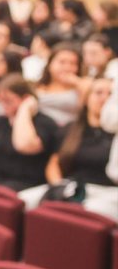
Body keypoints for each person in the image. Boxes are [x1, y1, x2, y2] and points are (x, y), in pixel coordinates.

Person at [19, 79, 116, 220]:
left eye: (110, 94)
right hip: (70, 186)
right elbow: (54, 164)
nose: (104, 98)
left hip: (105, 193)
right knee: (21, 201)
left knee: (84, 213)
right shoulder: (71, 129)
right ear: (86, 98)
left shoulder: (115, 134)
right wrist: (59, 186)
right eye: (98, 93)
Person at [0, 74, 60, 192]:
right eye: (1, 101)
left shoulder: (45, 124)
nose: (3, 106)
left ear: (26, 99)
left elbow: (25, 145)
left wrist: (25, 110)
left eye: (8, 101)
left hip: (22, 183)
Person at [36, 43, 85, 127]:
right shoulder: (37, 86)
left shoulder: (82, 85)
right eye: (62, 62)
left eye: (73, 63)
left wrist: (77, 82)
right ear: (50, 64)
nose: (67, 67)